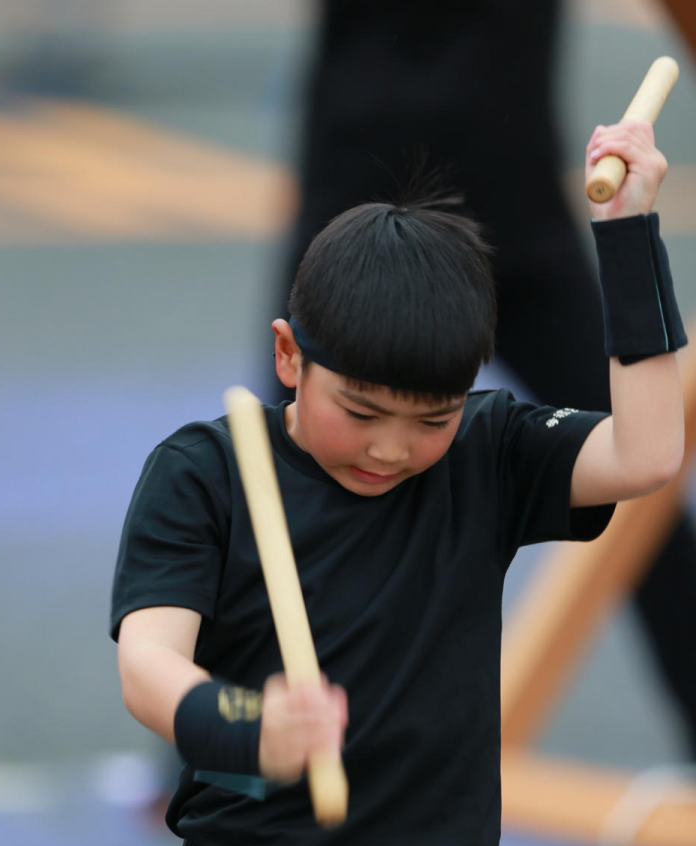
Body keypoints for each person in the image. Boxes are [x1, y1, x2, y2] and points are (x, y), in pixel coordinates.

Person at [93, 120, 686, 846]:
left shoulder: (488, 458)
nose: (388, 448)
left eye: (430, 418)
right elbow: (148, 666)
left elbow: (646, 451)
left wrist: (629, 233)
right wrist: (243, 723)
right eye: (358, 410)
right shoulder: (205, 475)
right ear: (288, 357)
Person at [275, 0, 696, 756]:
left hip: (500, 195)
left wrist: (629, 237)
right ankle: (221, 754)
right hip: (366, 214)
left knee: (642, 501)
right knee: (279, 491)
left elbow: (644, 453)